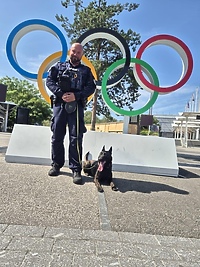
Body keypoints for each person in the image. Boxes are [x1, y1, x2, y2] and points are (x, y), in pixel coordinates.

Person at [46, 43, 96, 184]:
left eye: (79, 52)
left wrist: (77, 96)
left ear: (82, 55)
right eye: (74, 51)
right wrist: (60, 93)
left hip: (76, 107)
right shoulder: (58, 67)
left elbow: (91, 87)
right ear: (70, 51)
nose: (76, 54)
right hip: (60, 105)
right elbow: (49, 81)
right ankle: (56, 164)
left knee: (76, 138)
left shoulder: (86, 71)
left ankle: (76, 169)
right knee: (57, 136)